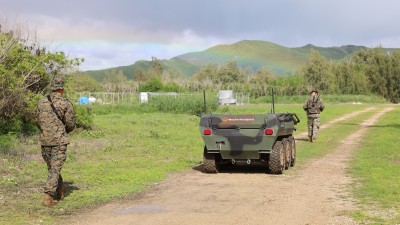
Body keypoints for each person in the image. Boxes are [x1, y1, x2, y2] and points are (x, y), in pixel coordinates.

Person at [36, 77, 76, 206]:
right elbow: (70, 123)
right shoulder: (65, 103)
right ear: (62, 88)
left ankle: (60, 191)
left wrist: (46, 132)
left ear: (52, 87)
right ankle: (48, 196)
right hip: (59, 141)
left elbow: (37, 121)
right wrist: (64, 131)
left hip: (45, 141)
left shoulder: (41, 102)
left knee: (53, 168)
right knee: (55, 169)